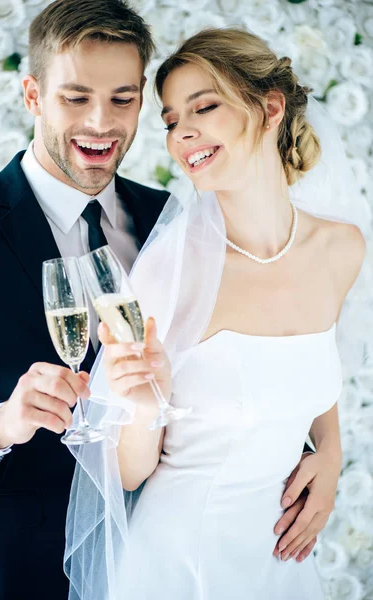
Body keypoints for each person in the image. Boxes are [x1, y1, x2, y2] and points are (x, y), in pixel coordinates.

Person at [65, 28, 369, 599]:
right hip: (181, 564)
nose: (183, 134)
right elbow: (126, 473)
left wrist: (330, 452)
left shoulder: (344, 249)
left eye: (204, 107)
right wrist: (139, 397)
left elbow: (312, 372)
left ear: (271, 107)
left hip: (283, 564)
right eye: (171, 120)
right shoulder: (170, 272)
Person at [0, 1, 168, 598]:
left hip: (166, 553)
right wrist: (0, 424)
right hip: (27, 568)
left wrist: (306, 451)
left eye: (122, 98)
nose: (102, 123)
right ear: (33, 96)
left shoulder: (169, 220)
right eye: (76, 98)